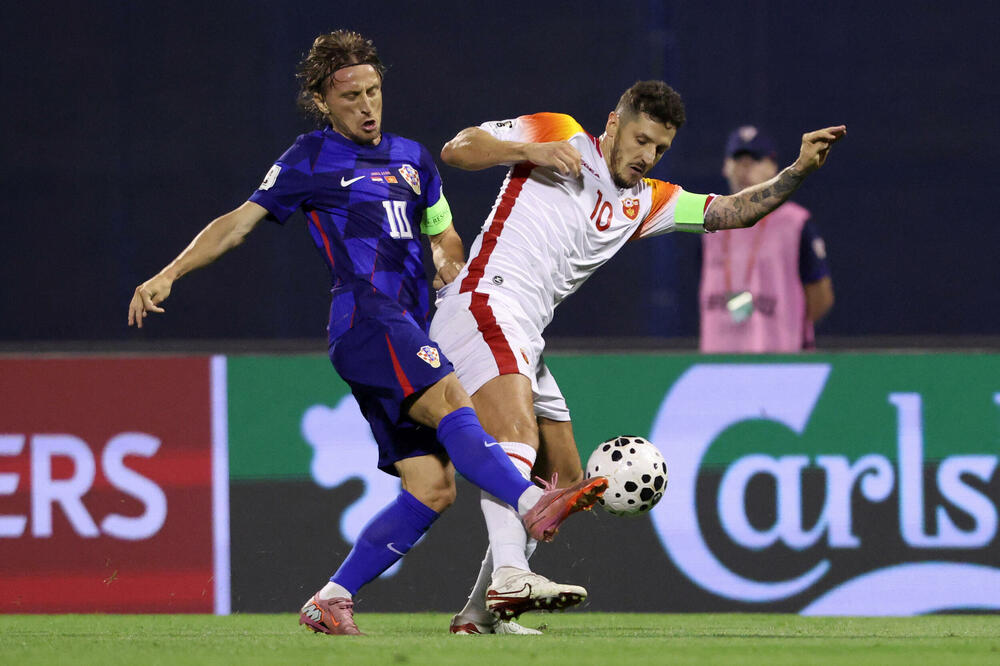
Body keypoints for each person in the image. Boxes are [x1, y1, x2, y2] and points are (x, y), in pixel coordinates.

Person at [126, 30, 608, 636]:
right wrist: (170, 272)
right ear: (324, 103)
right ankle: (532, 503)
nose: (366, 105)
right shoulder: (309, 157)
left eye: (373, 91)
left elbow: (444, 234)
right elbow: (238, 224)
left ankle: (331, 598)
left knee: (432, 487)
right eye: (350, 96)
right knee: (456, 402)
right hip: (365, 316)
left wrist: (447, 261)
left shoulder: (414, 159)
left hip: (406, 323)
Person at [430, 81, 845, 634]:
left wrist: (797, 171)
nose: (647, 156)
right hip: (485, 299)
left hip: (528, 329)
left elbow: (730, 213)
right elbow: (457, 149)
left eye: (661, 149)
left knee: (566, 479)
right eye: (641, 140)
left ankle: (479, 615)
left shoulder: (645, 200)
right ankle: (509, 574)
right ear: (613, 123)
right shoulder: (560, 134)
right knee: (517, 435)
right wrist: (527, 151)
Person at [699, 125, 835, 352]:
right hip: (717, 363)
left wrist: (787, 326)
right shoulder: (707, 222)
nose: (744, 169)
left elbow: (820, 298)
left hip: (779, 360)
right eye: (738, 160)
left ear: (773, 168)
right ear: (725, 167)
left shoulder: (795, 223)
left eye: (755, 160)